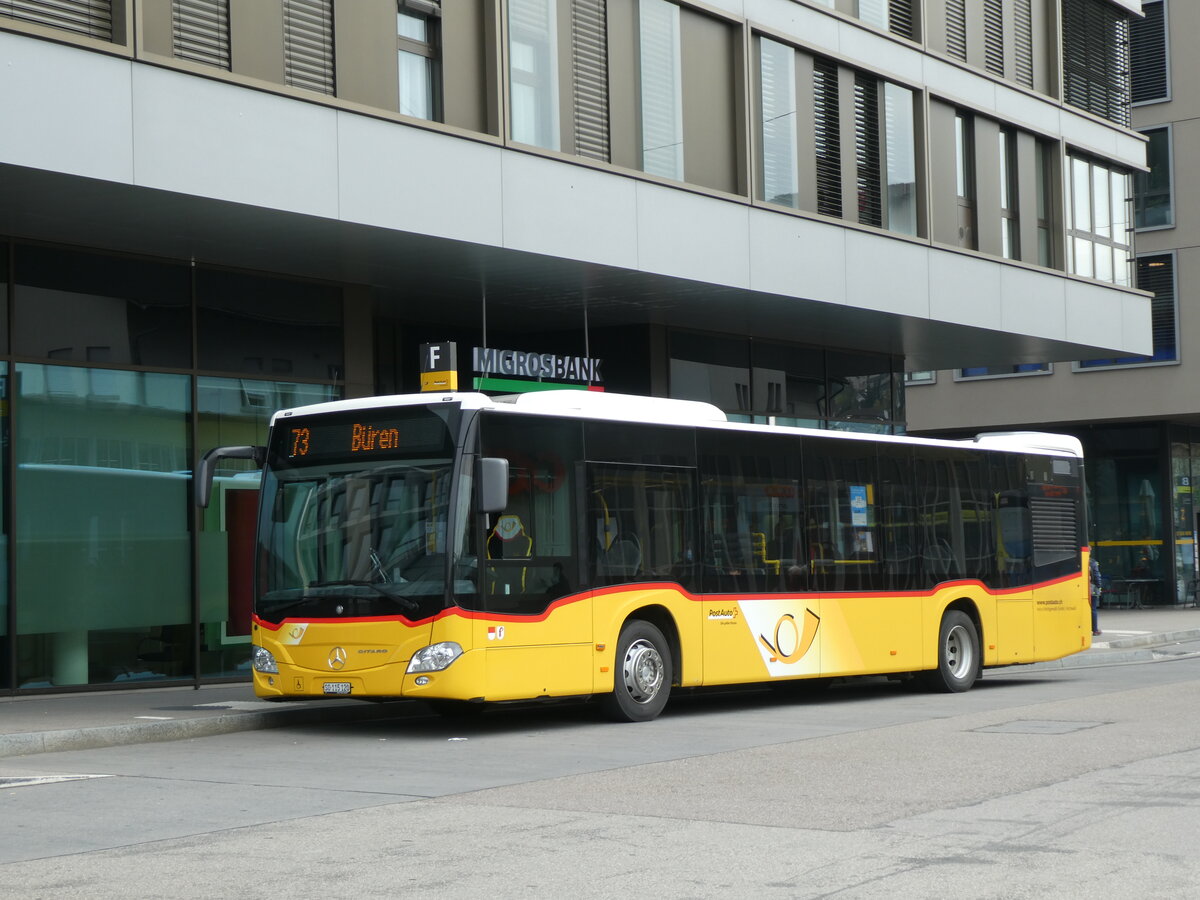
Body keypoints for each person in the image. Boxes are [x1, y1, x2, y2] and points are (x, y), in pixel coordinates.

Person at [1089, 556, 1102, 636]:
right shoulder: (1092, 562)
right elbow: (1097, 576)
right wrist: (1099, 586)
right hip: (1092, 588)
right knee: (1093, 609)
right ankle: (1095, 630)